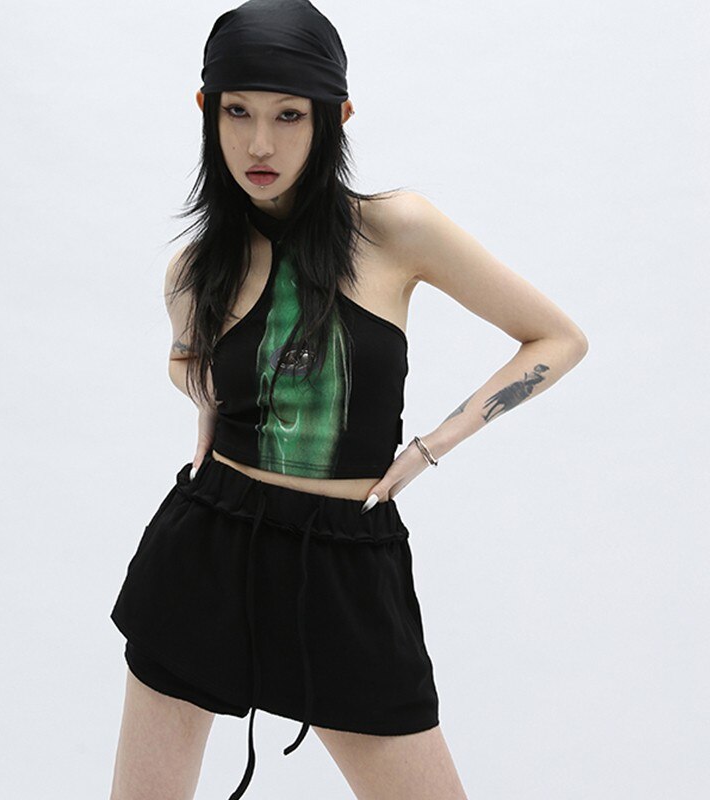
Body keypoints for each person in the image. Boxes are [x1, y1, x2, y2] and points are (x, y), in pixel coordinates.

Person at [108, 1, 589, 798]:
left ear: (335, 117)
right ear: (207, 110)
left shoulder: (396, 230)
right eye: (238, 112)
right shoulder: (196, 269)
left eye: (289, 115)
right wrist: (206, 405)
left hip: (342, 564)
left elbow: (556, 339)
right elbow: (189, 369)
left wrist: (429, 448)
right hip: (206, 553)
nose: (260, 144)